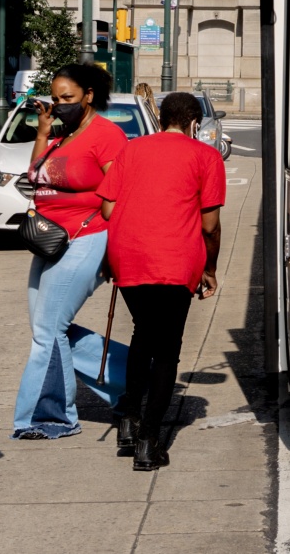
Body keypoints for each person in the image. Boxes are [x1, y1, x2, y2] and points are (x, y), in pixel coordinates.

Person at [101, 91, 225, 471]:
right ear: (194, 124)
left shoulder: (132, 150)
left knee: (143, 334)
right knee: (167, 349)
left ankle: (129, 416)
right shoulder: (206, 156)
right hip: (174, 259)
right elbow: (209, 225)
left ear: (161, 119)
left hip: (128, 256)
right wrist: (210, 268)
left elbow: (107, 206)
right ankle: (148, 441)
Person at [11, 63, 128, 440]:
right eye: (55, 98)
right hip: (49, 239)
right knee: (47, 329)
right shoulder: (63, 136)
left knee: (49, 329)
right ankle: (133, 375)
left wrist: (116, 252)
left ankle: (48, 416)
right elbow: (35, 176)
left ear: (89, 96)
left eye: (68, 99)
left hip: (87, 236)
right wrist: (44, 134)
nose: (59, 105)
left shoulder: (106, 136)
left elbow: (123, 194)